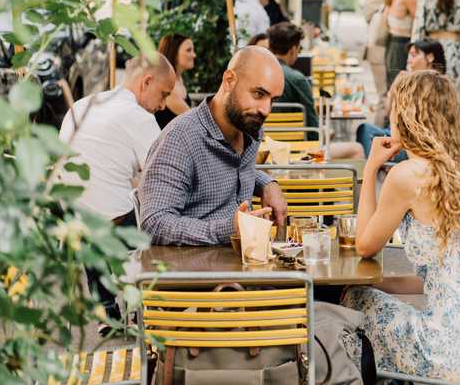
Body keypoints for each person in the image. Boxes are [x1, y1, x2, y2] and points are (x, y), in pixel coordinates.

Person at [343, 71, 460, 383]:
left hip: (447, 354)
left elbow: (364, 245)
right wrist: (377, 285)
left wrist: (371, 166)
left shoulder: (408, 175)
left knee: (349, 307)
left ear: (404, 117)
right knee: (362, 294)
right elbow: (445, 279)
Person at [59, 54, 175, 329]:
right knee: (157, 221)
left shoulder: (84, 103)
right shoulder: (138, 117)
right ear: (146, 82)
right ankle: (146, 308)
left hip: (70, 213)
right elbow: (161, 175)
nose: (162, 106)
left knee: (94, 211)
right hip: (114, 218)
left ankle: (106, 311)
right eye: (163, 94)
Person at [139, 47, 288, 245]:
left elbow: (234, 167)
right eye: (259, 94)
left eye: (273, 100)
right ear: (229, 81)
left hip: (244, 262)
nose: (266, 110)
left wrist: (267, 184)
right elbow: (153, 224)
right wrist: (231, 228)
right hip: (197, 269)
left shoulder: (249, 127)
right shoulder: (180, 138)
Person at [266, 22, 364, 160]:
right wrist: (325, 134)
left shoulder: (257, 74)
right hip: (298, 154)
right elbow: (313, 130)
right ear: (293, 49)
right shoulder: (297, 79)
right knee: (357, 149)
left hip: (263, 152)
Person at [356, 39, 446, 160]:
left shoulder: (432, 85)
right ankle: (378, 168)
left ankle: (374, 170)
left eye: (414, 55)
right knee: (365, 130)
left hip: (414, 146)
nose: (409, 59)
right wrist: (395, 87)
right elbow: (388, 112)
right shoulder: (417, 80)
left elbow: (414, 124)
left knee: (366, 131)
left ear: (429, 58)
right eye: (409, 55)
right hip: (402, 138)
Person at [363, 0, 405, 116]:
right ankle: (376, 139)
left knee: (392, 99)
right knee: (384, 99)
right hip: (380, 47)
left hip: (391, 47)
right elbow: (370, 13)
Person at [384, 0, 419, 89]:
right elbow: (420, 21)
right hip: (403, 48)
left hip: (392, 45)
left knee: (394, 88)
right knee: (402, 89)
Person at [155, 34, 196, 129]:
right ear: (174, 52)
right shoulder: (167, 84)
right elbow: (192, 118)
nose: (194, 55)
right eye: (188, 50)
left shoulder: (179, 80)